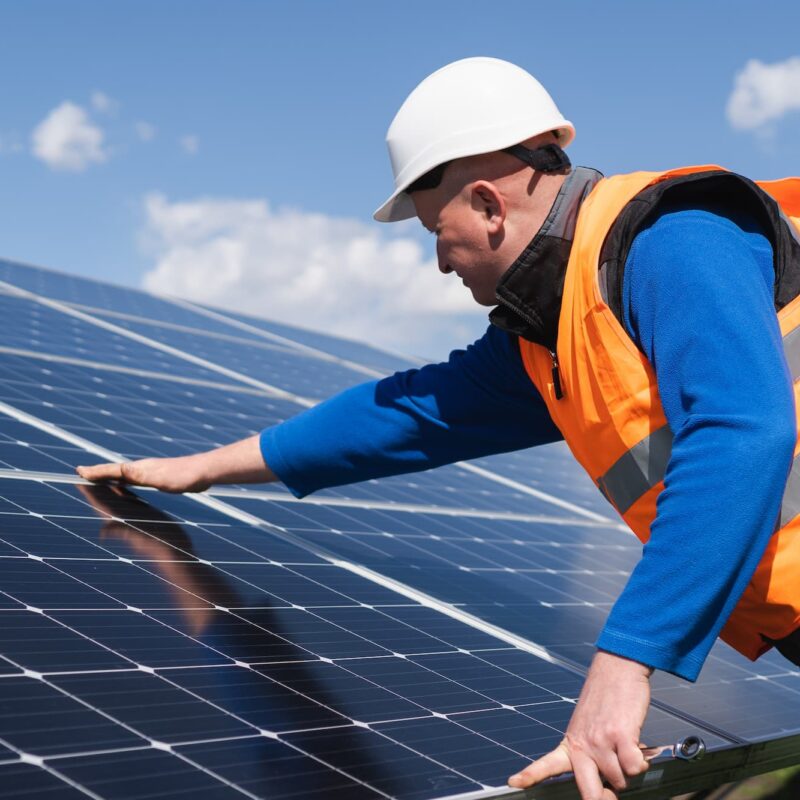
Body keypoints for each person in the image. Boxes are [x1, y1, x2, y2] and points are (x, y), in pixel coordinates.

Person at [77, 57, 800, 800]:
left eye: (436, 230)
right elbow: (402, 414)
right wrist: (202, 469)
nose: (438, 261)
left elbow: (742, 433)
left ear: (488, 203)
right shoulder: (546, 330)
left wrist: (622, 666)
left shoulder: (670, 240)